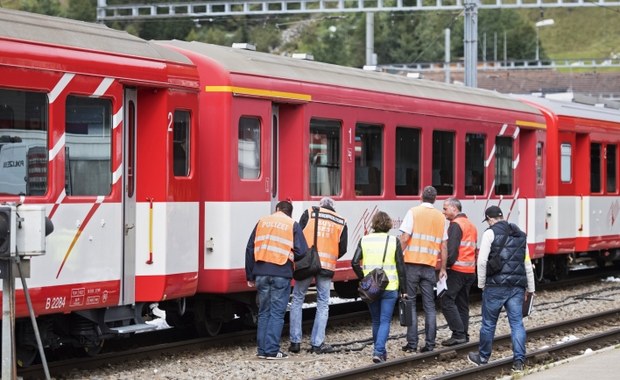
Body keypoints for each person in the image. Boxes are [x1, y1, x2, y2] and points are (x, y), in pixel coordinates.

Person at [467, 206, 536, 373]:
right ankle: (519, 362)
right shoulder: (520, 234)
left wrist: (481, 284)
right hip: (517, 287)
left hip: (495, 286)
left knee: (489, 323)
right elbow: (527, 263)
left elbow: (482, 261)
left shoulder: (489, 233)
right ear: (502, 217)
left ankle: (483, 358)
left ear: (490, 219)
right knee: (517, 324)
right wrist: (531, 288)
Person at [245, 200, 308, 360]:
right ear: (290, 212)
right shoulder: (292, 224)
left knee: (264, 312)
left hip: (261, 273)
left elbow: (250, 248)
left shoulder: (262, 222)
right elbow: (302, 251)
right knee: (277, 313)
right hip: (281, 272)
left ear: (277, 209)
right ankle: (272, 351)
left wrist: (250, 275)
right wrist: (289, 255)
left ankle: (262, 350)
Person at [289, 197, 348, 354]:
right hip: (326, 267)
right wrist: (330, 256)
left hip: (307, 264)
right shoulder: (341, 221)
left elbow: (297, 237)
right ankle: (317, 344)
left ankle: (295, 342)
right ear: (333, 207)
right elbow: (343, 248)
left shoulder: (309, 213)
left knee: (297, 299)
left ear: (320, 205)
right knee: (323, 303)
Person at [351, 211, 406, 363]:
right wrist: (404, 290)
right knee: (385, 320)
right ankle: (379, 351)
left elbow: (354, 262)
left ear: (374, 224)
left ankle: (379, 350)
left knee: (376, 320)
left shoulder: (364, 240)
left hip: (371, 287)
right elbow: (401, 267)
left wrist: (364, 279)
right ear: (388, 224)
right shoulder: (393, 241)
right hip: (390, 286)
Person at [399, 185, 448, 353]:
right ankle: (430, 343)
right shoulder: (441, 217)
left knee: (410, 303)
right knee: (429, 306)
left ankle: (412, 344)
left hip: (411, 265)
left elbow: (405, 237)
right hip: (429, 266)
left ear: (421, 196)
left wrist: (398, 255)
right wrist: (443, 268)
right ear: (435, 199)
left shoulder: (413, 212)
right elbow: (444, 245)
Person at [441, 197, 477, 346]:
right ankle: (464, 334)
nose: (443, 212)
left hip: (458, 270)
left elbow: (452, 250)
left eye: (445, 209)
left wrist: (445, 266)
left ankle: (458, 333)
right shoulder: (470, 224)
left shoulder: (456, 225)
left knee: (446, 300)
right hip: (470, 270)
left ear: (454, 209)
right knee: (462, 303)